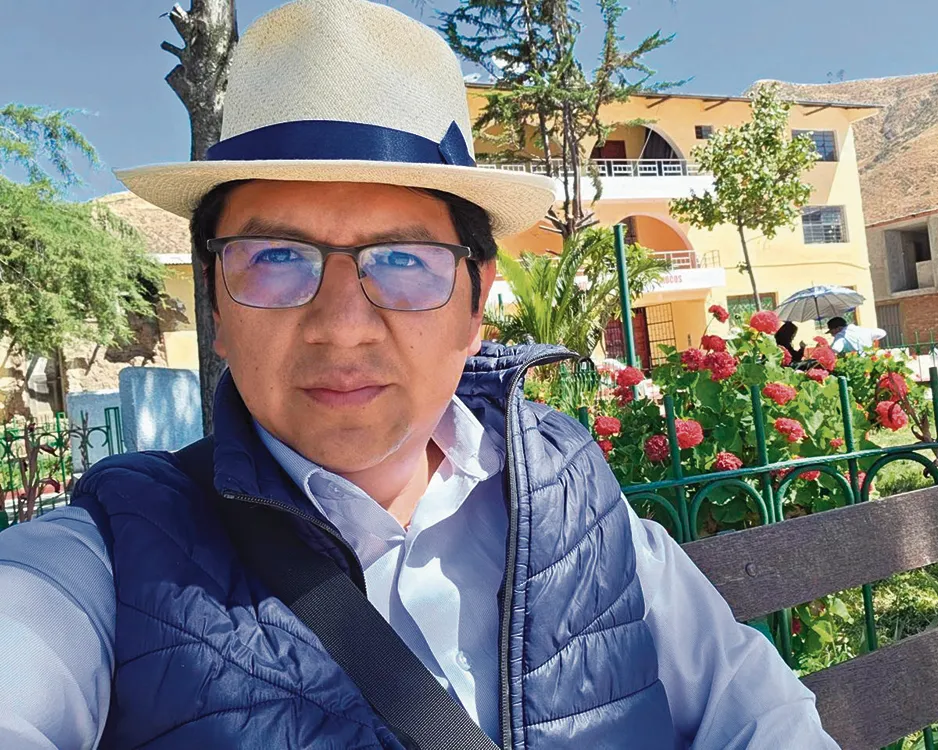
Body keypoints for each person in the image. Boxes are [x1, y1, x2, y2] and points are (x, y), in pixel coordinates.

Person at [0, 1, 839, 748]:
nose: (341, 326)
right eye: (277, 256)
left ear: (476, 304)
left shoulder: (569, 495)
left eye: (403, 259)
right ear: (217, 302)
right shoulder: (113, 558)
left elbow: (759, 713)